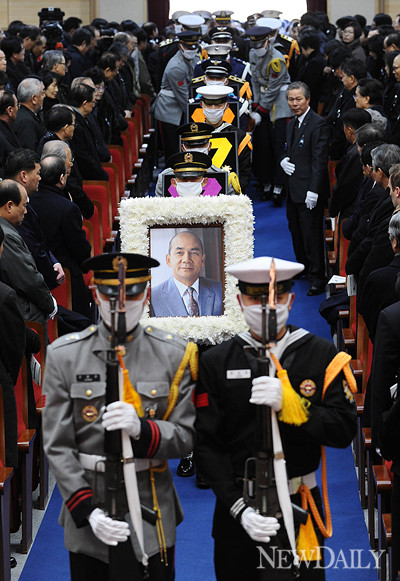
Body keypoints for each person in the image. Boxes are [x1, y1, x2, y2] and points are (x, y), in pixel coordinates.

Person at [195, 256, 357, 581]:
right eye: (256, 298)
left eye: (276, 297)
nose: (266, 306)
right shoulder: (216, 361)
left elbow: (342, 431)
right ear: (240, 302)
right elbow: (206, 445)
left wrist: (293, 405)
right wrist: (237, 507)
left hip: (299, 504)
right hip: (238, 510)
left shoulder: (320, 354)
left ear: (291, 300)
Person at [42, 252, 197, 581]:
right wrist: (86, 509)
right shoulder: (65, 355)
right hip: (89, 508)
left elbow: (186, 437)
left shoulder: (174, 353)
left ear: (147, 293)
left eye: (133, 293)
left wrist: (142, 429)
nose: (121, 304)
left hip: (150, 506)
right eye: (111, 294)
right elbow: (57, 444)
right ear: (96, 295)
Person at [280, 81, 330, 296]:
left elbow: (319, 160)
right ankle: (304, 267)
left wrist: (314, 190)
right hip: (293, 189)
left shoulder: (318, 124)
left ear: (308, 99)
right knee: (296, 232)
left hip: (309, 191)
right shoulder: (291, 123)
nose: (294, 103)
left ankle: (318, 276)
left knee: (312, 236)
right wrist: (283, 159)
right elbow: (287, 150)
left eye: (298, 99)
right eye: (291, 99)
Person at [0, 179, 57, 328]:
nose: (26, 211)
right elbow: (28, 280)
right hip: (18, 316)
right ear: (10, 206)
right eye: (24, 206)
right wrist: (50, 304)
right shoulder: (6, 236)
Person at [247, 26, 292, 204]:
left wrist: (262, 110)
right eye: (254, 46)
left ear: (268, 42)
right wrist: (257, 106)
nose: (257, 50)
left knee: (278, 147)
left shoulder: (277, 60)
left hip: (278, 106)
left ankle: (278, 186)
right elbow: (255, 81)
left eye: (260, 46)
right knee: (263, 147)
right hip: (262, 104)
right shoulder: (252, 54)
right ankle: (265, 183)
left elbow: (273, 88)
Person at [151, 230, 223, 318]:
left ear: (202, 260)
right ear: (168, 260)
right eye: (179, 253)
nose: (186, 259)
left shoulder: (222, 291)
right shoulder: (152, 298)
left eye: (193, 253)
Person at [154, 31, 202, 161]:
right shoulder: (176, 67)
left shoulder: (193, 57)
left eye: (194, 46)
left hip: (181, 107)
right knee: (173, 149)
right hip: (170, 111)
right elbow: (183, 98)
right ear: (180, 47)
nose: (192, 50)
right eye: (188, 47)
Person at [155, 123, 237, 196]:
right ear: (183, 147)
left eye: (201, 145)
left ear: (210, 146)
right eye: (191, 146)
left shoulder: (225, 177)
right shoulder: (165, 177)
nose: (196, 149)